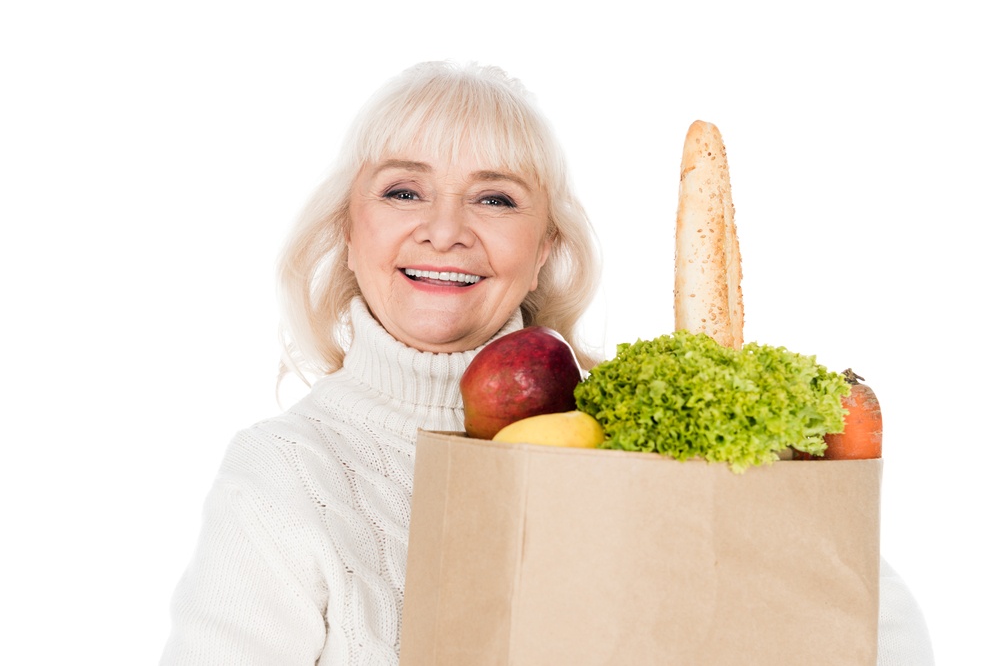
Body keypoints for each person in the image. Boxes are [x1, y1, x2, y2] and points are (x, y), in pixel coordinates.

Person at [161, 61, 933, 665]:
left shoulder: (635, 438)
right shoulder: (285, 476)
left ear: (544, 252)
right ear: (348, 230)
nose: (444, 229)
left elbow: (867, 621)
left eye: (494, 199)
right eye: (403, 191)